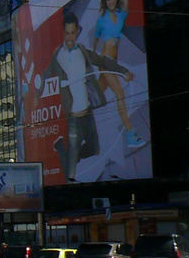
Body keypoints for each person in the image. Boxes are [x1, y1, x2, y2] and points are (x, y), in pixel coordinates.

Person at [46, 10, 133, 182]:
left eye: (73, 33)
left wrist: (123, 71)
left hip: (88, 113)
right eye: (67, 33)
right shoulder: (58, 56)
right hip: (73, 118)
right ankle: (69, 161)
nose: (70, 37)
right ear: (63, 33)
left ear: (77, 31)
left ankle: (67, 153)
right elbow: (44, 75)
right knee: (70, 173)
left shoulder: (83, 52)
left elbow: (102, 61)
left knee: (94, 149)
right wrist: (34, 94)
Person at [91, 0, 145, 149]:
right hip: (105, 60)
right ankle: (130, 134)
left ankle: (78, 117)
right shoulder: (102, 19)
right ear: (105, 2)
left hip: (113, 61)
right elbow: (96, 39)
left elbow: (126, 2)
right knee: (120, 94)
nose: (110, 1)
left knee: (97, 96)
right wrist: (94, 58)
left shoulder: (121, 15)